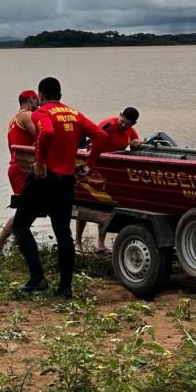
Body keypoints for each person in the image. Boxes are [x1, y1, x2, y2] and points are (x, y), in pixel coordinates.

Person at [13, 77, 107, 298]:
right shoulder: (75, 114)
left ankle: (38, 278)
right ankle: (65, 287)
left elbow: (46, 132)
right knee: (63, 232)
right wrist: (88, 166)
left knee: (21, 226)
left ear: (41, 96)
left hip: (43, 178)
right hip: (66, 182)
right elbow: (101, 136)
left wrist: (40, 160)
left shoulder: (41, 113)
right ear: (61, 96)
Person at [75, 107, 142, 254]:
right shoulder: (108, 125)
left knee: (105, 205)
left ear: (133, 124)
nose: (124, 126)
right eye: (123, 122)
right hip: (95, 167)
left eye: (128, 124)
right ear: (120, 115)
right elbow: (92, 142)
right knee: (85, 204)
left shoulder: (129, 131)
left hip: (110, 172)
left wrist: (137, 142)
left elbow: (136, 140)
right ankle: (78, 243)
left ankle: (100, 243)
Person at [0, 89, 39, 252]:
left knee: (28, 210)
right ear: (31, 99)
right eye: (37, 100)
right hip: (22, 169)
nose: (38, 103)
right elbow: (40, 135)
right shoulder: (26, 115)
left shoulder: (14, 119)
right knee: (24, 211)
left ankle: (16, 243)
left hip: (17, 167)